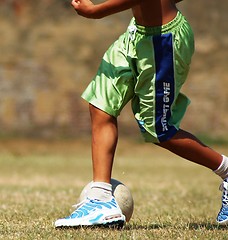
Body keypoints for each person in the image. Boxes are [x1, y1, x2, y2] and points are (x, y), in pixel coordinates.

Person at [55, 0, 228, 228]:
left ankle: (226, 170)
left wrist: (94, 12)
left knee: (158, 129)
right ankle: (100, 199)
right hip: (137, 33)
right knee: (101, 102)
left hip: (163, 41)